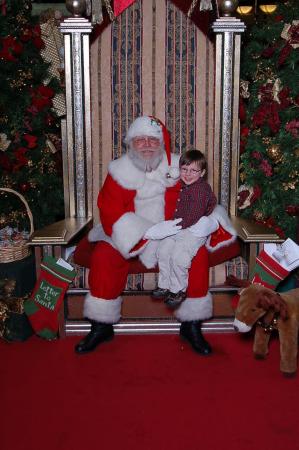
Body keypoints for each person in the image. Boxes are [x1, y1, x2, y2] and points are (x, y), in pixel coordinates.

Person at [74, 115, 237, 356]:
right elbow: (110, 212)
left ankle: (191, 325)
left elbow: (204, 198)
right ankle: (101, 325)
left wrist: (211, 221)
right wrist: (148, 231)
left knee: (197, 254)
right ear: (130, 144)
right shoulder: (118, 172)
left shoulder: (179, 168)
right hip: (128, 237)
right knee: (103, 256)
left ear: (162, 143)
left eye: (153, 139)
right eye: (140, 140)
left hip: (175, 234)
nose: (147, 145)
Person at [152, 149, 217, 308]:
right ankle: (165, 285)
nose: (188, 174)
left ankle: (178, 290)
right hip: (179, 226)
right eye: (184, 169)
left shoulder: (201, 190)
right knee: (163, 250)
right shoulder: (185, 184)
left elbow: (193, 215)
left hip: (194, 230)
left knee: (179, 257)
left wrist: (170, 227)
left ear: (202, 173)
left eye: (193, 170)